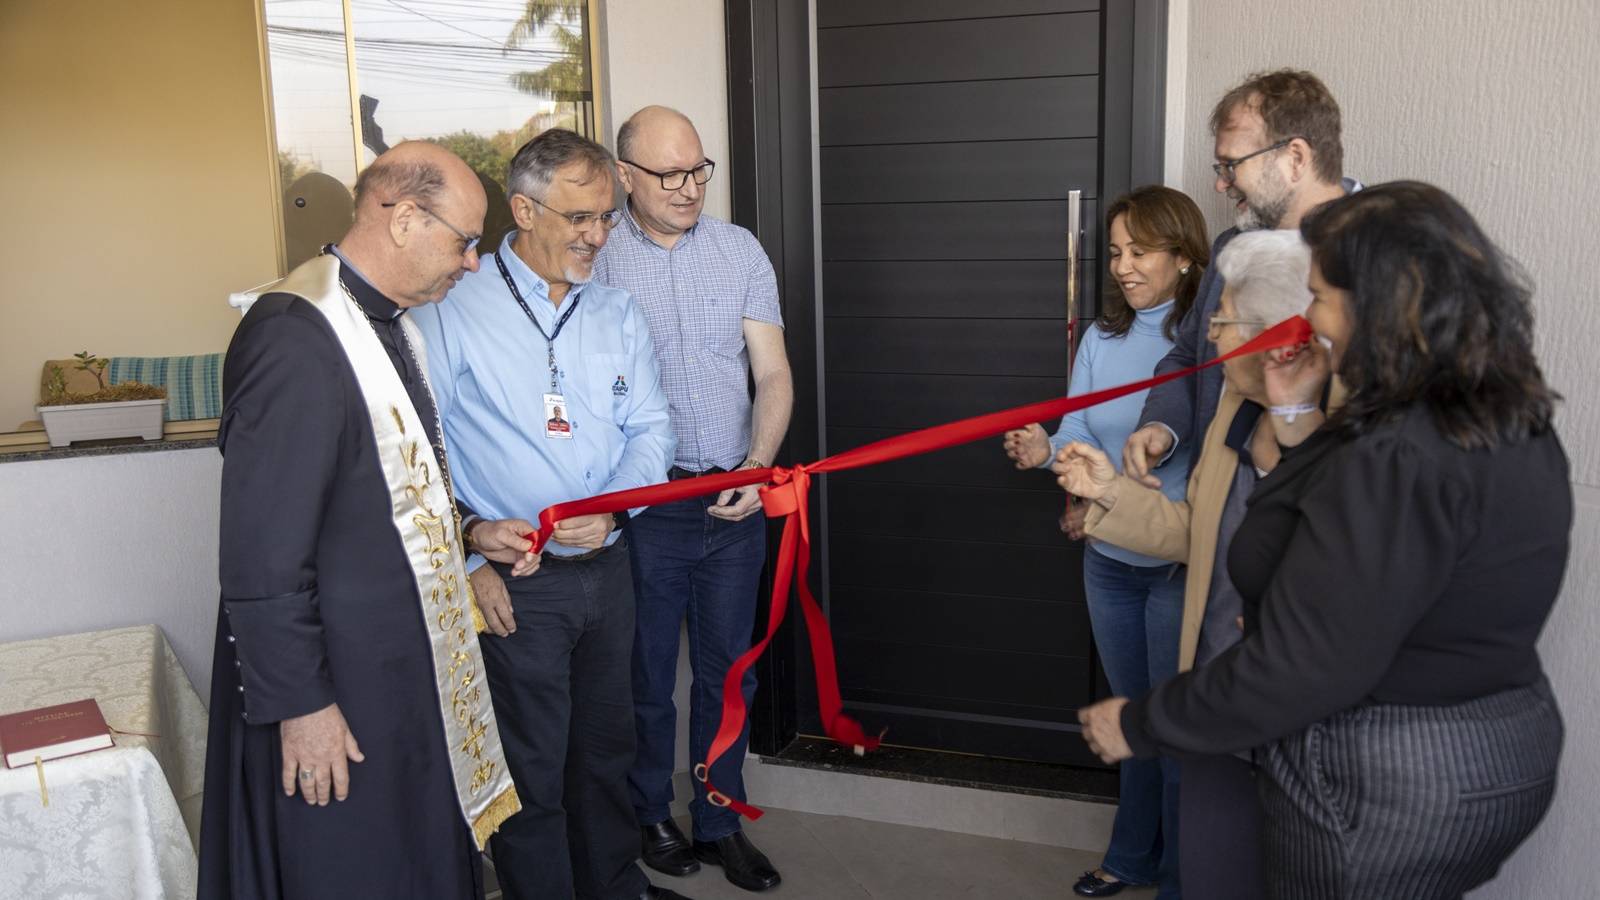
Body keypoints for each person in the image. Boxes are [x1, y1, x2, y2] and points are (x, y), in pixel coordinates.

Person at [1075, 182, 1570, 899]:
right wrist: (1299, 416)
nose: (1309, 320)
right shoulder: (1498, 414)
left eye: (1322, 296)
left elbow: (1304, 663)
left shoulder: (1395, 450)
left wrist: (1141, 722)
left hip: (1391, 771)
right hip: (1499, 745)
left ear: (1380, 305)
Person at [200, 141, 540, 900]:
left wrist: (470, 542)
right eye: (465, 241)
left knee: (415, 853)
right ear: (406, 218)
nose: (473, 263)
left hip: (399, 667)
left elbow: (394, 492)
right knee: (354, 864)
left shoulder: (387, 322)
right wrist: (300, 705)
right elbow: (261, 551)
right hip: (336, 686)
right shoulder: (298, 335)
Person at [410, 129, 685, 900]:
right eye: (579, 218)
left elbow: (652, 429)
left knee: (606, 745)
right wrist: (467, 558)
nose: (598, 236)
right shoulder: (453, 307)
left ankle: (611, 882)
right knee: (530, 764)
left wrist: (611, 512)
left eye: (607, 218)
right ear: (524, 210)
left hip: (608, 569)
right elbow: (416, 449)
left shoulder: (615, 311)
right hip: (517, 582)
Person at [1055, 229, 1321, 900]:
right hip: (1221, 687)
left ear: (1281, 340)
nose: (1208, 339)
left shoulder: (1345, 441)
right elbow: (1191, 534)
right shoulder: (1231, 416)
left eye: (1223, 323)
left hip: (1291, 715)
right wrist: (1105, 490)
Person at [593, 105, 792, 893]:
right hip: (644, 506)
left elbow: (771, 373)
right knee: (644, 676)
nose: (688, 188)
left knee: (727, 674)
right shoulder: (599, 256)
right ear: (625, 177)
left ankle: (719, 818)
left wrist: (757, 463)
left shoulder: (740, 251)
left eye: (698, 170)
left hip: (733, 499)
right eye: (669, 174)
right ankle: (649, 815)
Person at [1001, 185, 1208, 899]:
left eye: (1139, 251)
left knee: (1174, 726)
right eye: (1115, 252)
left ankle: (1185, 878)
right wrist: (1046, 449)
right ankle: (1131, 856)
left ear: (1184, 257)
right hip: (1110, 560)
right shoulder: (1103, 338)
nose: (1121, 266)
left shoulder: (1208, 342)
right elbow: (1082, 433)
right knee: (1131, 717)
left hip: (1179, 565)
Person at [1123, 69, 1360, 492]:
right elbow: (1188, 355)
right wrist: (1163, 425)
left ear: (1296, 158)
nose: (1219, 184)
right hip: (1218, 509)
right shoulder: (1229, 249)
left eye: (1231, 165)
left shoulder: (1382, 251)